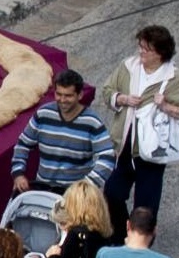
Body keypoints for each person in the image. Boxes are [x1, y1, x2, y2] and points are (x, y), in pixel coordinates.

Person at [104, 25, 179, 237]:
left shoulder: (173, 77)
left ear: (160, 53)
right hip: (125, 146)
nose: (140, 52)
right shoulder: (127, 66)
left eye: (146, 49)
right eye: (140, 47)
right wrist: (122, 99)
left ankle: (142, 240)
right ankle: (121, 232)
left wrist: (166, 106)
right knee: (112, 193)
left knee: (146, 204)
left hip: (153, 149)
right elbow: (108, 92)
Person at [14, 68, 112, 201]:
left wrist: (85, 185)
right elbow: (23, 144)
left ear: (80, 95)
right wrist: (18, 173)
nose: (62, 100)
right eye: (58, 94)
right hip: (43, 191)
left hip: (75, 198)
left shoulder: (92, 122)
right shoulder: (43, 114)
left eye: (68, 96)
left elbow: (108, 157)